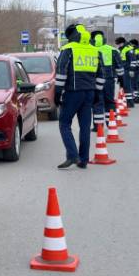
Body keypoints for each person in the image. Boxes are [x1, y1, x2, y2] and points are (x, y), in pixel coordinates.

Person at [55, 24, 104, 169]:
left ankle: (72, 155)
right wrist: (97, 93)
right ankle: (83, 160)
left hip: (72, 92)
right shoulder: (95, 51)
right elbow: (101, 75)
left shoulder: (68, 49)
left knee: (64, 123)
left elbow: (61, 73)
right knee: (85, 127)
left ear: (71, 36)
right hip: (89, 93)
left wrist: (57, 93)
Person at [92, 30, 119, 126]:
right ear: (104, 39)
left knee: (97, 102)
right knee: (110, 101)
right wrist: (121, 79)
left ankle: (98, 126)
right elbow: (119, 66)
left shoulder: (91, 50)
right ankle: (111, 123)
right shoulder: (113, 50)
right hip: (109, 80)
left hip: (96, 80)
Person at [116, 37, 135, 108]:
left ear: (122, 43)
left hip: (127, 70)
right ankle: (124, 101)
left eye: (119, 44)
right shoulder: (121, 49)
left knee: (127, 86)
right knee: (123, 86)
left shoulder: (128, 49)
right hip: (122, 70)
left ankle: (130, 102)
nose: (118, 46)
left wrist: (131, 70)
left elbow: (133, 61)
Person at [130, 38, 139, 104]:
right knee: (133, 83)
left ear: (134, 44)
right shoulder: (132, 50)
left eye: (131, 44)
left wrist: (134, 65)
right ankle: (135, 97)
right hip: (134, 70)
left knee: (138, 82)